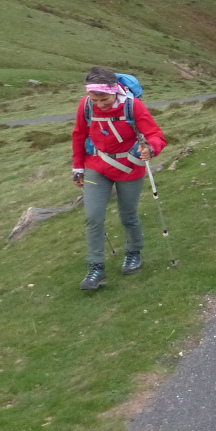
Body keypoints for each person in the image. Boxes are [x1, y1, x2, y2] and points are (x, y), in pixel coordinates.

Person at [72, 66, 166, 291]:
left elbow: (155, 135)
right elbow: (79, 134)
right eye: (95, 99)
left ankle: (133, 252)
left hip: (129, 167)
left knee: (128, 214)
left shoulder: (133, 106)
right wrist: (78, 167)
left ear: (114, 91)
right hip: (96, 166)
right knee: (93, 217)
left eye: (104, 99)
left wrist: (151, 148)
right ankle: (96, 267)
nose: (99, 104)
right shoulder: (85, 106)